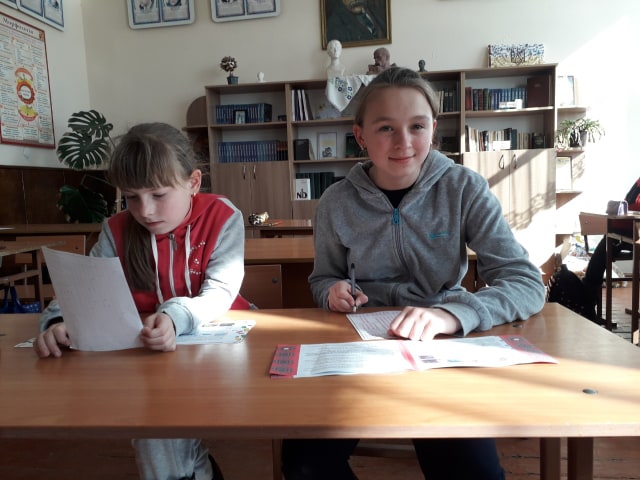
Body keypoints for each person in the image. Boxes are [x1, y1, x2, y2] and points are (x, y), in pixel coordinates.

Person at [280, 67, 546, 480]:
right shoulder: (336, 201)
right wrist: (332, 290)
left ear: (433, 130)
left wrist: (452, 314)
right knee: (304, 463)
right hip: (357, 348)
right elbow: (322, 279)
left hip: (440, 348)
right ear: (360, 135)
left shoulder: (464, 188)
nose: (403, 142)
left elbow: (525, 282)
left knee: (473, 472)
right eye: (386, 128)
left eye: (417, 126)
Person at [33, 122, 250, 480]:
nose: (145, 210)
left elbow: (220, 292)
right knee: (158, 437)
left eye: (158, 194)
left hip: (218, 347)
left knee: (163, 437)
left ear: (193, 182)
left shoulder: (222, 216)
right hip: (146, 356)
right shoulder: (116, 229)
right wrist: (60, 322)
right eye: (132, 197)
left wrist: (174, 316)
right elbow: (85, 292)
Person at [581, 177, 640, 319]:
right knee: (601, 255)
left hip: (629, 230)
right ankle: (587, 305)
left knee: (602, 253)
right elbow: (630, 204)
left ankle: (587, 306)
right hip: (626, 230)